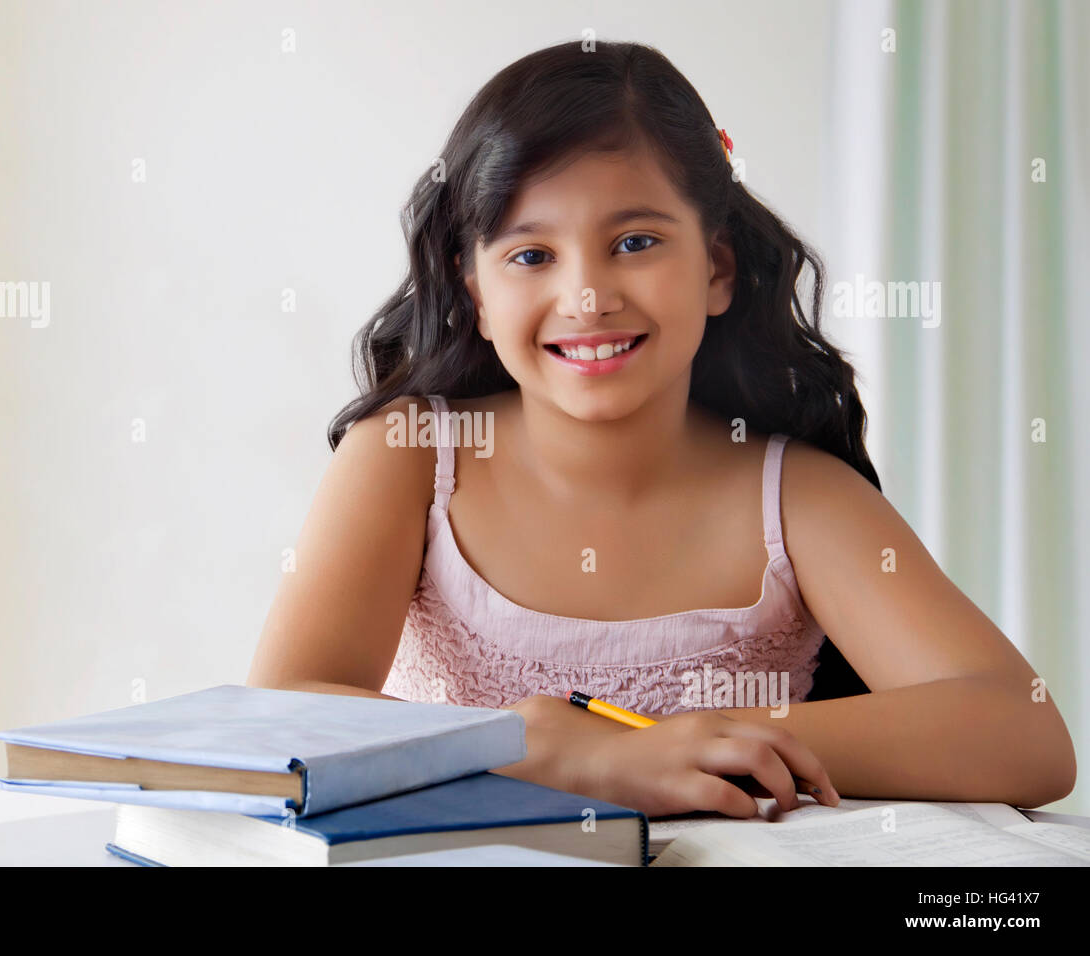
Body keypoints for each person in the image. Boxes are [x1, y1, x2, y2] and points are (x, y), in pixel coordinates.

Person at [247, 39, 1075, 820]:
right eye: (532, 256)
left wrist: (678, 745)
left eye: (634, 242)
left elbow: (1024, 733)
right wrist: (543, 750)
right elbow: (282, 709)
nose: (586, 297)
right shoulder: (410, 457)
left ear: (716, 269)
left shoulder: (795, 498)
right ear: (475, 295)